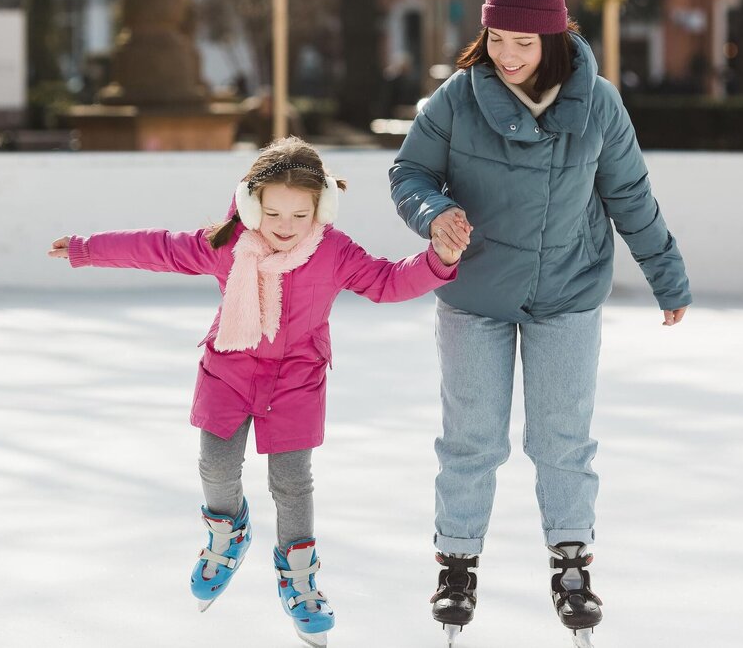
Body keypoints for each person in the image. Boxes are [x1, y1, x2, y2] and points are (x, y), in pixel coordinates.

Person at [49, 137, 470, 647]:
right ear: (251, 205)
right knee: (215, 467)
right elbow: (159, 248)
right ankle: (228, 533)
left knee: (292, 483)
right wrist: (87, 249)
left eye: (299, 214)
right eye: (272, 213)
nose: (285, 226)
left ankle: (299, 577)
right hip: (228, 371)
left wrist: (439, 259)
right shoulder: (228, 244)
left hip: (297, 380)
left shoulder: (334, 251)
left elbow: (386, 281)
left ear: (321, 208)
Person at [387, 0, 692, 646]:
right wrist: (434, 213)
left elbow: (630, 195)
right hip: (475, 293)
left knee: (562, 438)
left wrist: (666, 276)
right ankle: (457, 562)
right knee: (472, 438)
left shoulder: (599, 103)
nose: (507, 54)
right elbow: (409, 173)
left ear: (553, 39)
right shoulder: (458, 97)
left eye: (523, 43)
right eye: (497, 39)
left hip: (567, 291)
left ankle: (572, 562)